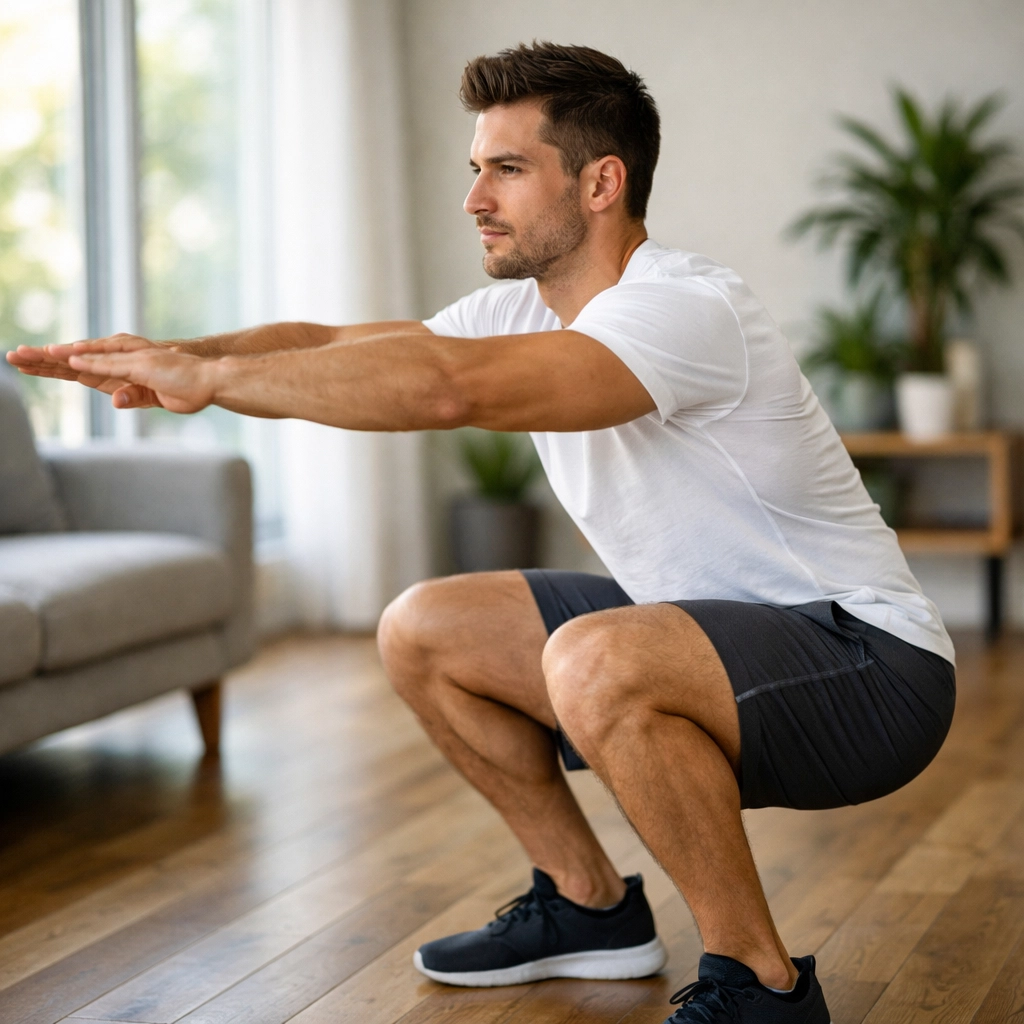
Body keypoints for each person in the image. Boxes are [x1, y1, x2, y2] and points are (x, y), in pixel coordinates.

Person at [8, 41, 955, 1024]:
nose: (475, 197)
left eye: (506, 168)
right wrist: (181, 354)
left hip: (867, 663)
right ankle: (586, 904)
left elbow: (446, 387)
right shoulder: (517, 306)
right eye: (475, 169)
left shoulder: (681, 306)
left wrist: (208, 384)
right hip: (699, 633)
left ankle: (761, 985)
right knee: (425, 625)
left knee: (591, 657)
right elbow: (342, 347)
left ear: (600, 182)